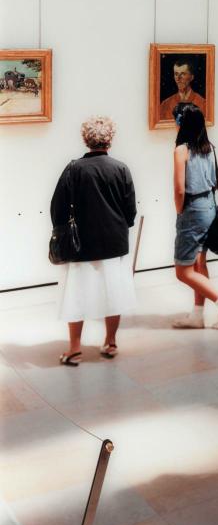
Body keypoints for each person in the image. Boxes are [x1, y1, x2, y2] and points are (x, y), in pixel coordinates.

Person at [50, 116, 137, 366]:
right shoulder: (121, 168)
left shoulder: (74, 169)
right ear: (110, 140)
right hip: (114, 241)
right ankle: (110, 342)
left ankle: (75, 349)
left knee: (75, 294)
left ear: (85, 139)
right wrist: (121, 226)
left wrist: (61, 230)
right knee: (114, 293)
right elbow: (130, 210)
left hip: (81, 243)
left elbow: (57, 206)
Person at [170, 103, 218, 330]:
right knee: (199, 263)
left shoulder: (181, 150)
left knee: (183, 271)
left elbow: (179, 189)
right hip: (209, 206)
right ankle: (197, 315)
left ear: (181, 123)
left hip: (192, 209)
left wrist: (180, 210)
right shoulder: (209, 148)